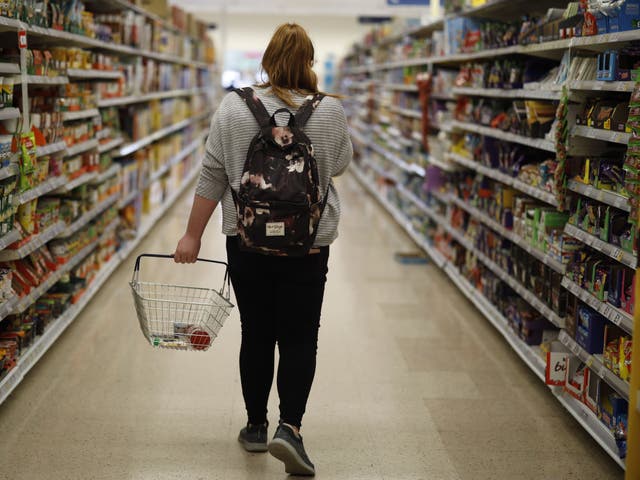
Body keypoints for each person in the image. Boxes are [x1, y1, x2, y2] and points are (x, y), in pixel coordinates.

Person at [173, 23, 352, 477]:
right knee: (299, 336)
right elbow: (343, 164)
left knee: (256, 334)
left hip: (247, 240)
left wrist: (191, 235)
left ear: (267, 62)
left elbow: (212, 174)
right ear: (308, 62)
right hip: (309, 245)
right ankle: (290, 427)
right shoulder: (329, 112)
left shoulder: (233, 107)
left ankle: (255, 427)